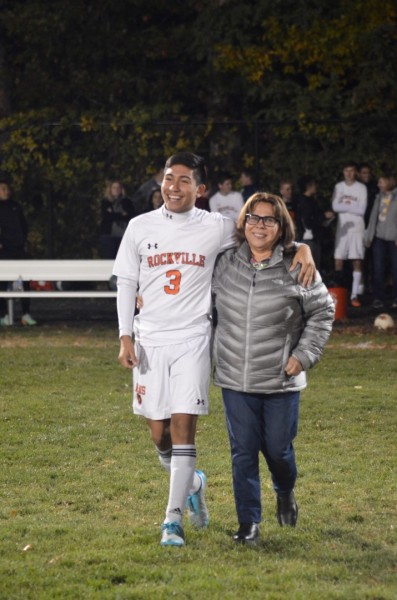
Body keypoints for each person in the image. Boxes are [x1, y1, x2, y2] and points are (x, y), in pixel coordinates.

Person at [112, 151, 316, 548]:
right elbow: (125, 282)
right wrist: (124, 336)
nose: (174, 186)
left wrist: (302, 248)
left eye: (184, 180)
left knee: (184, 427)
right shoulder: (139, 226)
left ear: (200, 189)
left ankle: (172, 522)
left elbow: (266, 232)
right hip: (150, 339)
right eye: (169, 178)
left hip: (194, 338)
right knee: (159, 435)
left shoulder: (217, 227)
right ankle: (193, 483)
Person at [212, 192, 334, 545]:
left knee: (279, 450)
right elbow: (191, 293)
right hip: (236, 378)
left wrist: (304, 355)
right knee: (243, 452)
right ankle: (249, 523)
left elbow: (323, 312)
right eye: (253, 217)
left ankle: (284, 490)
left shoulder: (298, 264)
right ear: (243, 222)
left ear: (281, 227)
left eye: (269, 219)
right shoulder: (224, 263)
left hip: (282, 378)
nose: (260, 225)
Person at [0, 179, 37, 326]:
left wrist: (23, 240)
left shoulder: (15, 206)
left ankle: (25, 314)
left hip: (19, 250)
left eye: (7, 188)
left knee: (25, 281)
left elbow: (23, 225)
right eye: (2, 189)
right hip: (5, 251)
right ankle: (4, 315)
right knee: (2, 283)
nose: (6, 191)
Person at [332, 162, 367, 307]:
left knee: (356, 261)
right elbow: (335, 206)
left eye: (352, 171)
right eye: (346, 170)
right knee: (338, 261)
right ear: (343, 172)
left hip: (357, 229)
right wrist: (353, 206)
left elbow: (362, 210)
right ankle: (340, 295)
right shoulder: (339, 187)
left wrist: (344, 207)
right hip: (343, 230)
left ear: (356, 173)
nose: (349, 173)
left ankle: (354, 295)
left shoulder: (361, 188)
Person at [364, 175, 397, 309]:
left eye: (381, 182)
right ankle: (378, 298)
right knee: (378, 268)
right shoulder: (379, 197)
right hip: (379, 238)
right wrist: (369, 237)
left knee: (396, 269)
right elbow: (373, 218)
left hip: (393, 238)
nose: (378, 184)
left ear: (389, 182)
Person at [295, 175, 335, 272]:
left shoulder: (311, 200)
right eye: (314, 185)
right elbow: (308, 222)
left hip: (313, 238)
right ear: (309, 186)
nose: (316, 187)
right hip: (309, 239)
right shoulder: (305, 202)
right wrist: (323, 216)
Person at [98, 180, 135, 259]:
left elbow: (129, 216)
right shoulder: (105, 202)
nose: (116, 189)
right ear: (110, 189)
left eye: (118, 187)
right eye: (114, 187)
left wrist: (113, 214)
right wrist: (121, 214)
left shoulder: (127, 202)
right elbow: (106, 217)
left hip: (123, 235)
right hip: (108, 235)